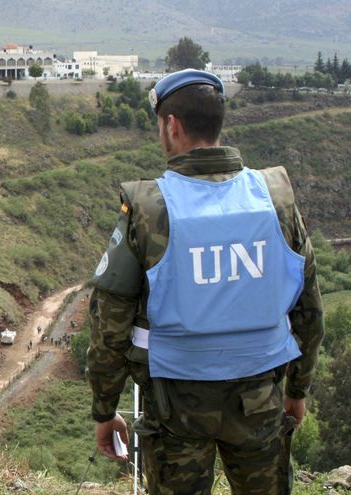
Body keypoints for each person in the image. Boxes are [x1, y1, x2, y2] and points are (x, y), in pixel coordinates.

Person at [86, 69, 324, 494]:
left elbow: (109, 326)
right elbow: (308, 310)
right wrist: (297, 389)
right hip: (259, 399)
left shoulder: (148, 208)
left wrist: (105, 410)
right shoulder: (275, 197)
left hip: (176, 408)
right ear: (218, 124)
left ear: (171, 126)